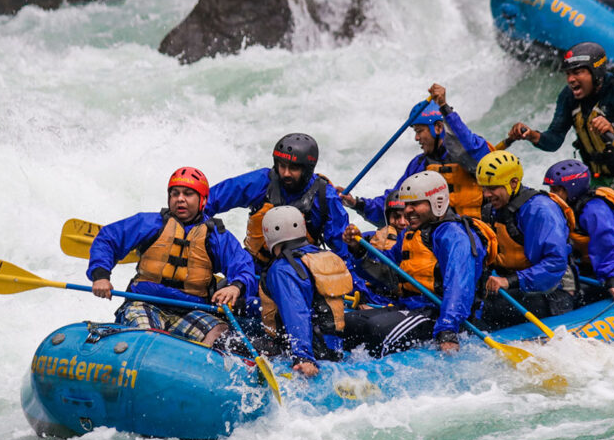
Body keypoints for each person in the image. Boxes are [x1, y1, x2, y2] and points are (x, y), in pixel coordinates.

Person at [87, 167, 257, 349]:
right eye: (175, 193)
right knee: (147, 335)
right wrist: (101, 276)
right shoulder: (149, 223)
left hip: (191, 311)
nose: (180, 199)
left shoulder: (217, 236)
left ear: (203, 200)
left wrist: (235, 286)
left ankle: (201, 369)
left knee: (220, 333)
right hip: (144, 303)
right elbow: (108, 238)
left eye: (188, 194)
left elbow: (243, 266)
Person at [507, 41, 614, 219]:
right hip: (598, 176)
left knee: (607, 216)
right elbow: (554, 139)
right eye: (568, 74)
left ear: (596, 72)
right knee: (566, 214)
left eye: (577, 72)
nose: (570, 79)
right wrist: (531, 135)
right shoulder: (568, 97)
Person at [342, 171, 489, 356]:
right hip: (410, 306)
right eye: (406, 204)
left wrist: (447, 331)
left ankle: (373, 376)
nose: (407, 211)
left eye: (415, 204)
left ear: (437, 202)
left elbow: (459, 287)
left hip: (437, 314)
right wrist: (358, 250)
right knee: (346, 323)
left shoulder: (454, 236)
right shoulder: (412, 233)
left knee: (376, 329)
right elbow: (387, 273)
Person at [345, 83, 491, 224]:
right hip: (434, 237)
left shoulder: (471, 156)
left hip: (473, 236)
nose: (416, 138)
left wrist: (444, 108)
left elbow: (472, 147)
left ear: (439, 128)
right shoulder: (419, 165)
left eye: (420, 131)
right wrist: (358, 204)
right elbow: (395, 203)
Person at [205, 133, 351, 271]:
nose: (286, 173)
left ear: (307, 170)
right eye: (282, 166)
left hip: (300, 273)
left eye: (293, 168)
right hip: (253, 267)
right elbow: (209, 200)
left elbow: (344, 252)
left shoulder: (325, 197)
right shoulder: (262, 181)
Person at [475, 151, 575, 329]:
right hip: (517, 288)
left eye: (493, 188)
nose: (486, 194)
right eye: (484, 188)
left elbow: (555, 263)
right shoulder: (492, 210)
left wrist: (510, 281)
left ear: (514, 182)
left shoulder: (540, 210)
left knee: (483, 309)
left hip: (552, 293)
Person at [543, 159, 614, 304]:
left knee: (574, 296)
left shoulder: (595, 210)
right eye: (551, 189)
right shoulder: (569, 208)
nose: (551, 194)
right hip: (599, 267)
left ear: (571, 188)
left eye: (556, 189)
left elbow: (610, 246)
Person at [259, 206, 354, 377]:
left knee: (226, 341)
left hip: (309, 351)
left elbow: (296, 311)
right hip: (333, 349)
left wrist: (303, 357)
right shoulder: (322, 256)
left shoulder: (282, 269)